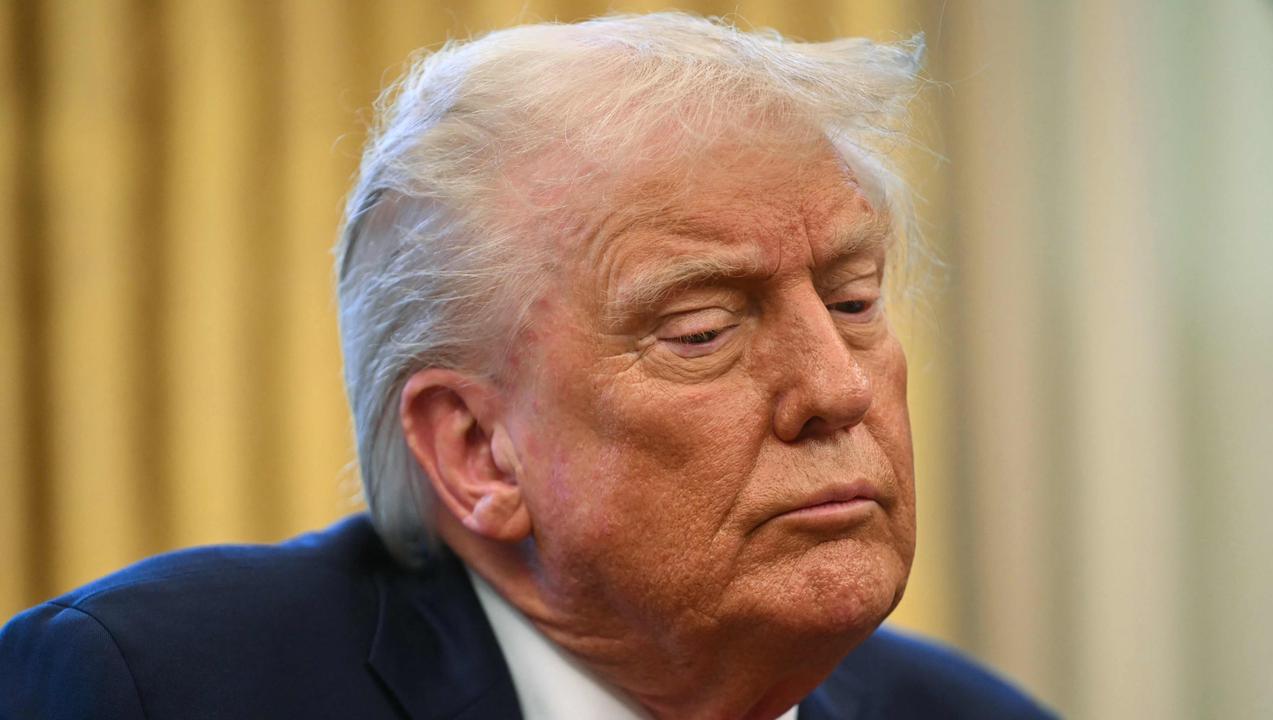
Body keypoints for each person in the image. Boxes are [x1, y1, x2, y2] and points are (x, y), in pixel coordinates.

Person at [0, 13, 1054, 719]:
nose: (837, 389)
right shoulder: (155, 689)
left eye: (852, 302)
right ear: (474, 452)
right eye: (698, 332)